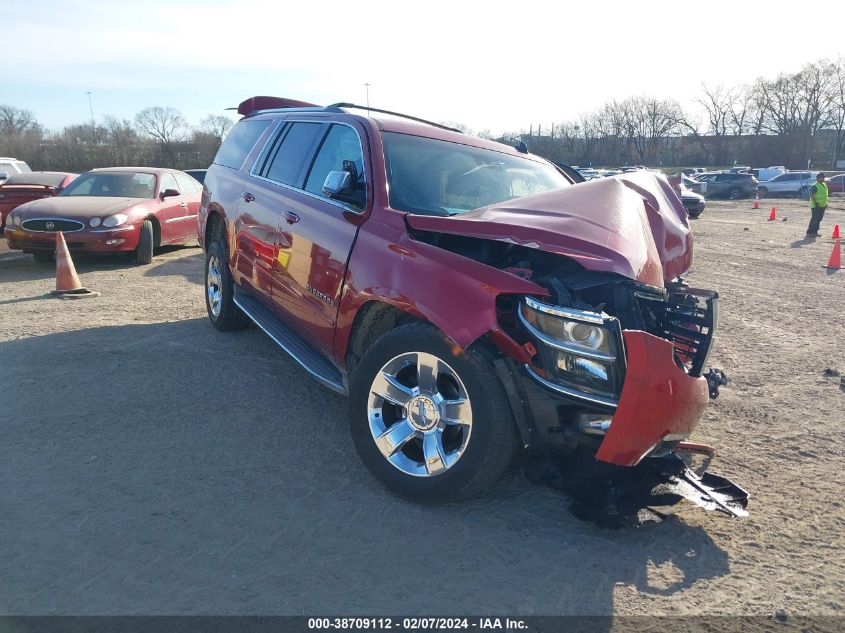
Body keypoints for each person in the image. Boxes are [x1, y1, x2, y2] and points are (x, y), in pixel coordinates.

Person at [806, 172, 829, 238]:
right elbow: (812, 195)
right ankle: (813, 232)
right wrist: (816, 203)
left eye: (824, 177)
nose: (823, 178)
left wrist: (826, 203)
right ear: (818, 178)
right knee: (815, 219)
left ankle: (811, 231)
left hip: (822, 205)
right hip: (816, 205)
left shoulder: (824, 184)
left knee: (818, 219)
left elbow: (825, 195)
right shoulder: (815, 186)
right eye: (822, 177)